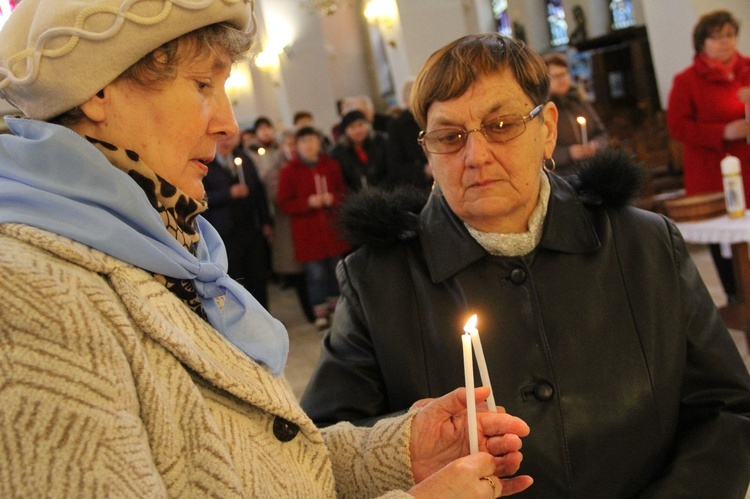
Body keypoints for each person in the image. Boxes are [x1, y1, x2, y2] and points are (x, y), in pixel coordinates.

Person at [0, 3, 534, 497]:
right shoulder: (28, 296)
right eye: (203, 84)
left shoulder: (156, 247)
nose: (228, 122)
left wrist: (400, 452)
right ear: (100, 89)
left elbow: (251, 463)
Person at [301, 33, 750, 498]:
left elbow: (724, 410)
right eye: (450, 137)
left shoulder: (645, 244)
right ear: (428, 152)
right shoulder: (379, 281)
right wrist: (411, 448)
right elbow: (325, 450)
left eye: (501, 125)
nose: (476, 156)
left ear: (548, 128)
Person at [667, 9, 750, 305]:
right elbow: (678, 126)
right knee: (727, 243)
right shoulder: (687, 81)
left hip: (748, 166)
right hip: (712, 173)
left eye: (729, 35)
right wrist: (723, 132)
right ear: (702, 43)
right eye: (716, 37)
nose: (724, 42)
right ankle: (736, 297)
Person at [277, 126, 350, 330]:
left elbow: (343, 193)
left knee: (336, 270)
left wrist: (332, 198)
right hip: (307, 233)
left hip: (331, 229)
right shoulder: (289, 171)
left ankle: (339, 309)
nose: (309, 145)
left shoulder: (331, 166)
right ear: (297, 146)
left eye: (313, 140)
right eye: (304, 141)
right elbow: (284, 202)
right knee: (315, 274)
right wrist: (308, 202)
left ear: (320, 142)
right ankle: (320, 311)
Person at [203, 132, 272, 309]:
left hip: (250, 227)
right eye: (221, 139)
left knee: (257, 275)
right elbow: (201, 197)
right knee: (234, 277)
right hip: (225, 232)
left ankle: (263, 314)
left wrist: (265, 221)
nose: (226, 143)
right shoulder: (205, 163)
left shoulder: (244, 160)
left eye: (231, 138)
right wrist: (228, 194)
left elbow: (259, 192)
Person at [265, 128, 315, 322]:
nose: (294, 148)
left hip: (308, 225)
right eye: (289, 144)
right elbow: (277, 197)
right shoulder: (276, 171)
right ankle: (310, 311)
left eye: (296, 143)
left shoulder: (308, 164)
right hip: (290, 228)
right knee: (301, 274)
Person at [543, 52, 608, 175]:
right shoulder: (545, 111)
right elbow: (540, 149)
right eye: (555, 76)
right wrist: (569, 153)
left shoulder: (580, 101)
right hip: (564, 176)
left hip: (592, 170)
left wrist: (594, 146)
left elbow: (602, 133)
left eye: (563, 74)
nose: (561, 79)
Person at [385, 78, 433, 191]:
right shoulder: (397, 126)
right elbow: (395, 165)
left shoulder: (433, 119)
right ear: (405, 101)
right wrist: (423, 170)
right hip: (417, 186)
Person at [330, 109, 389, 193]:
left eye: (360, 125)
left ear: (367, 125)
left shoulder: (381, 142)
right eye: (352, 127)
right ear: (345, 131)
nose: (357, 130)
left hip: (384, 193)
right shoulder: (338, 153)